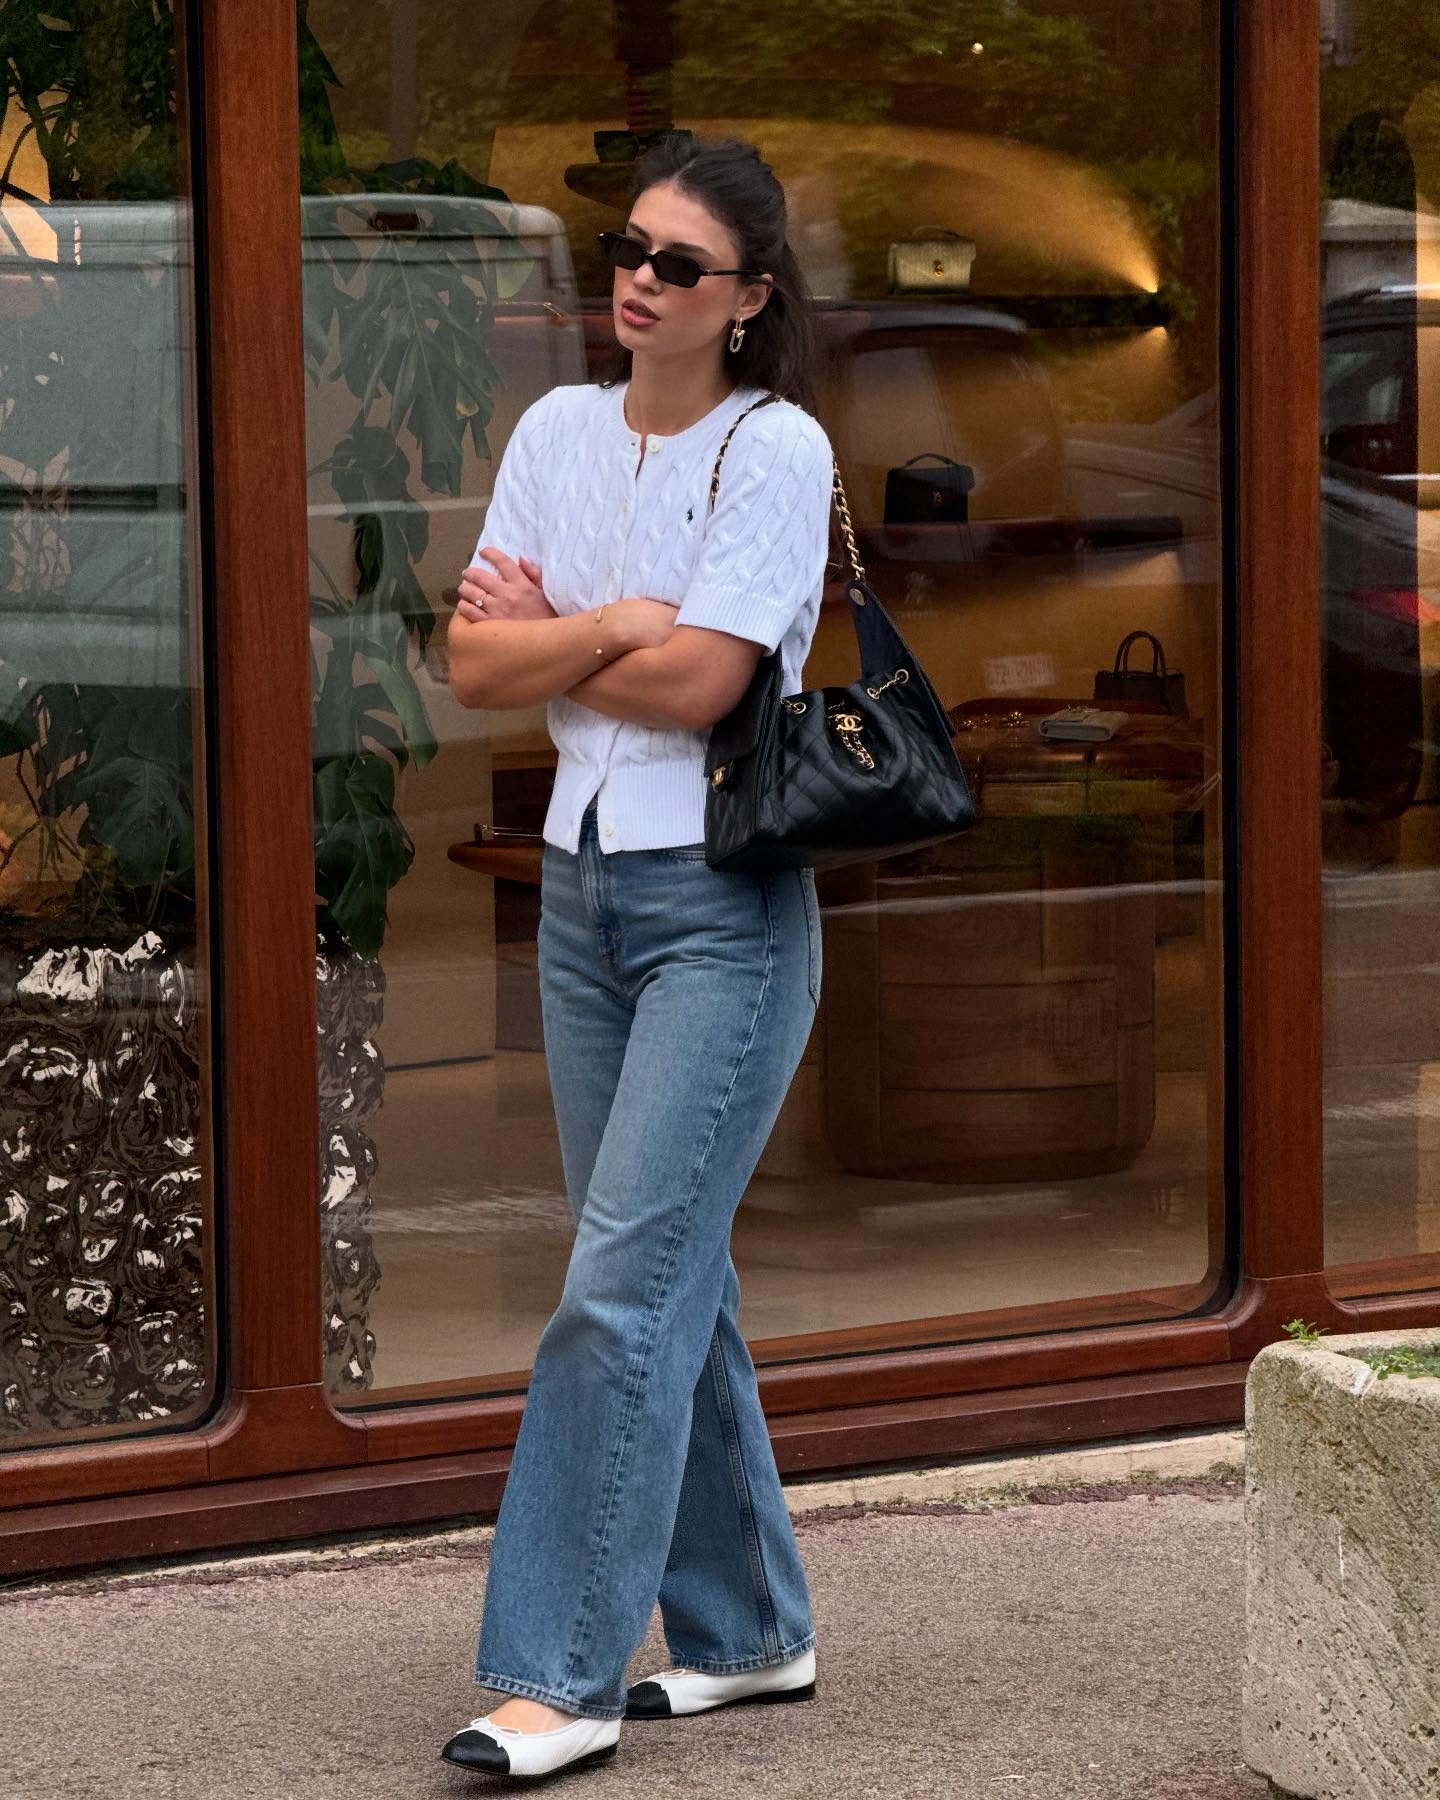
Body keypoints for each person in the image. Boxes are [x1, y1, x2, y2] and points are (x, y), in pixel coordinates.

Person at [439, 131, 834, 1783]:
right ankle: (750, 1634)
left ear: (745, 301)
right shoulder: (551, 429)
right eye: (629, 248)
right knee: (670, 1278)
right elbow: (472, 666)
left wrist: (572, 636)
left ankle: (558, 1673)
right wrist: (620, 624)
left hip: (723, 915)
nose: (641, 280)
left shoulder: (777, 448)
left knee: (618, 1291)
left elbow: (711, 689)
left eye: (680, 264)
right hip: (584, 897)